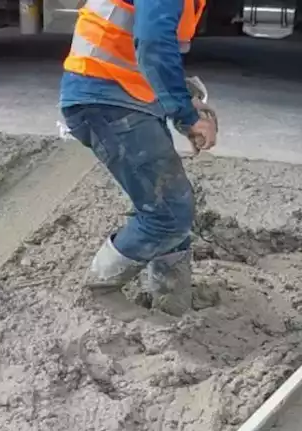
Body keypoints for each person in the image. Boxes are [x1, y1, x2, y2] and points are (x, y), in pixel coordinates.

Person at [58, 0, 218, 316]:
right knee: (168, 214)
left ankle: (172, 305)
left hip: (122, 95)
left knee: (172, 207)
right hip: (104, 98)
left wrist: (180, 96)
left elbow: (140, 45)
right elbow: (153, 42)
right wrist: (185, 114)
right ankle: (100, 293)